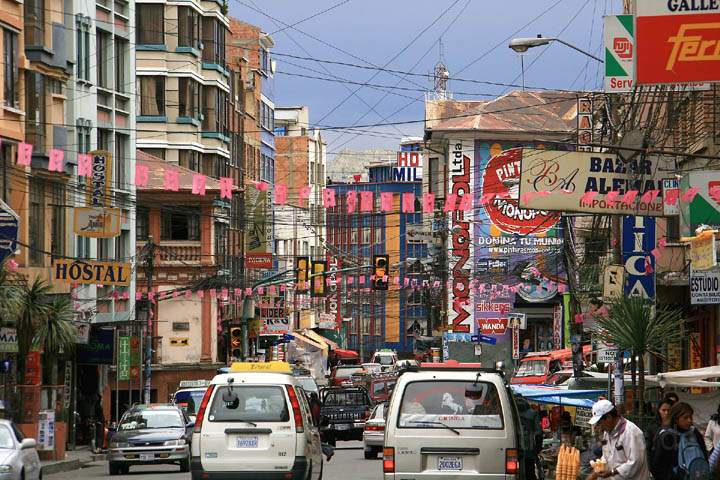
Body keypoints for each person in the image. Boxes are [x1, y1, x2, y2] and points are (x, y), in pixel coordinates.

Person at [586, 399, 650, 480]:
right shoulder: (607, 432)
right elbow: (606, 457)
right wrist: (596, 472)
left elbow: (635, 463)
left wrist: (612, 472)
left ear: (609, 417)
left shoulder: (631, 432)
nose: (598, 426)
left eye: (599, 423)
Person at [649, 399, 675, 480]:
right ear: (658, 410)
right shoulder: (652, 427)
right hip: (658, 469)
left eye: (669, 410)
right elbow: (648, 448)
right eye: (663, 410)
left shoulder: (676, 426)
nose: (666, 413)